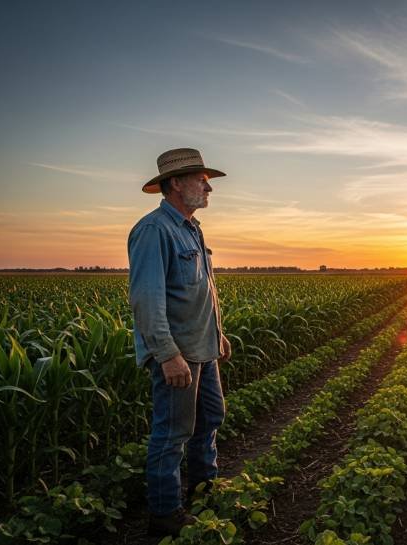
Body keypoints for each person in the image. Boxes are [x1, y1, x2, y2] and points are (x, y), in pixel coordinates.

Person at [127, 148, 232, 537]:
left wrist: (217, 332)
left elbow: (204, 289)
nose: (208, 187)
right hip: (178, 355)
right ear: (175, 184)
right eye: (201, 179)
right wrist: (167, 355)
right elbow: (147, 299)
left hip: (203, 347)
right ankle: (165, 517)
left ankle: (204, 490)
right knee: (172, 434)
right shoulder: (154, 230)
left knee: (210, 419)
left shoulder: (191, 228)